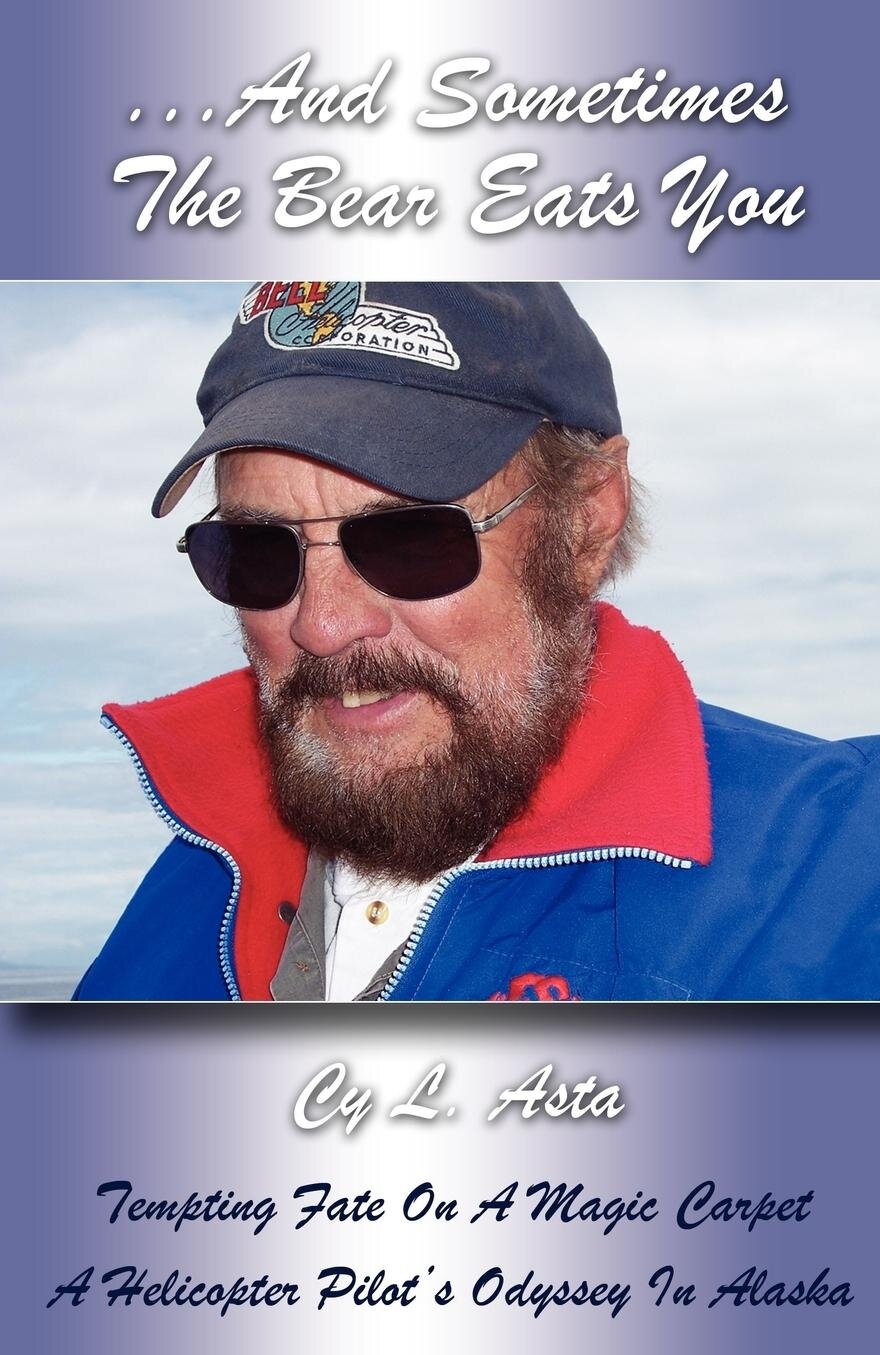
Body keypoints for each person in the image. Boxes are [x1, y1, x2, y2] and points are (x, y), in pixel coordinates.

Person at [74, 282, 880, 1002]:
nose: (321, 624)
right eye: (257, 551)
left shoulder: (836, 874)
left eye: (409, 540)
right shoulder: (194, 876)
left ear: (586, 519)